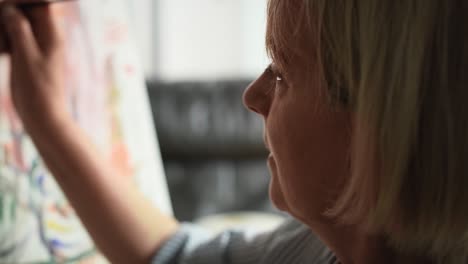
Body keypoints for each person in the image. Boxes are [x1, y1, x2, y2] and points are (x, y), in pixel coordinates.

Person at [2, 0, 468, 263]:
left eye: (282, 73)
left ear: (379, 125)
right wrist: (48, 119)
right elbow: (174, 256)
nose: (253, 96)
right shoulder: (316, 252)